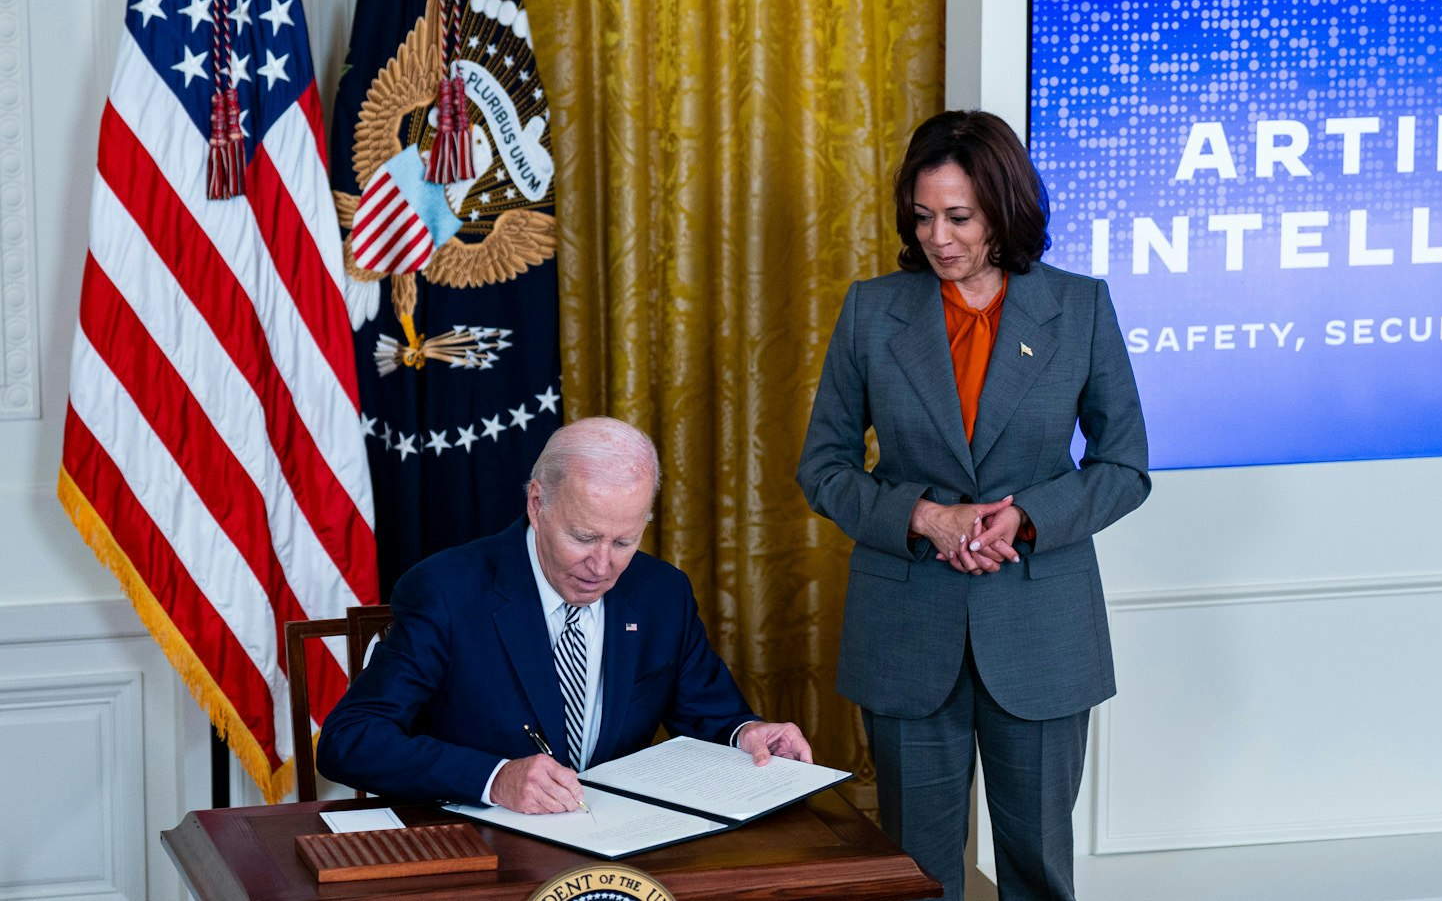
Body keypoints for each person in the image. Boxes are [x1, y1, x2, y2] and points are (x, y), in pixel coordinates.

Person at [796, 110, 1149, 900]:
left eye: (959, 217)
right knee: (916, 879)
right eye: (923, 217)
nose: (938, 237)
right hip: (908, 631)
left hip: (1041, 632)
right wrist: (926, 517)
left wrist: (1024, 516)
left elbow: (1125, 467)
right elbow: (822, 466)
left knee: (1036, 873)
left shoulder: (1081, 309)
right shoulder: (871, 310)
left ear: (1005, 210)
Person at [319, 417, 812, 814]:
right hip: (480, 846)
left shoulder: (662, 593)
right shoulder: (447, 590)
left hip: (619, 844)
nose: (602, 566)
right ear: (537, 504)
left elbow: (712, 713)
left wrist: (747, 734)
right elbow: (351, 740)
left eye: (623, 542)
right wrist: (494, 779)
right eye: (582, 537)